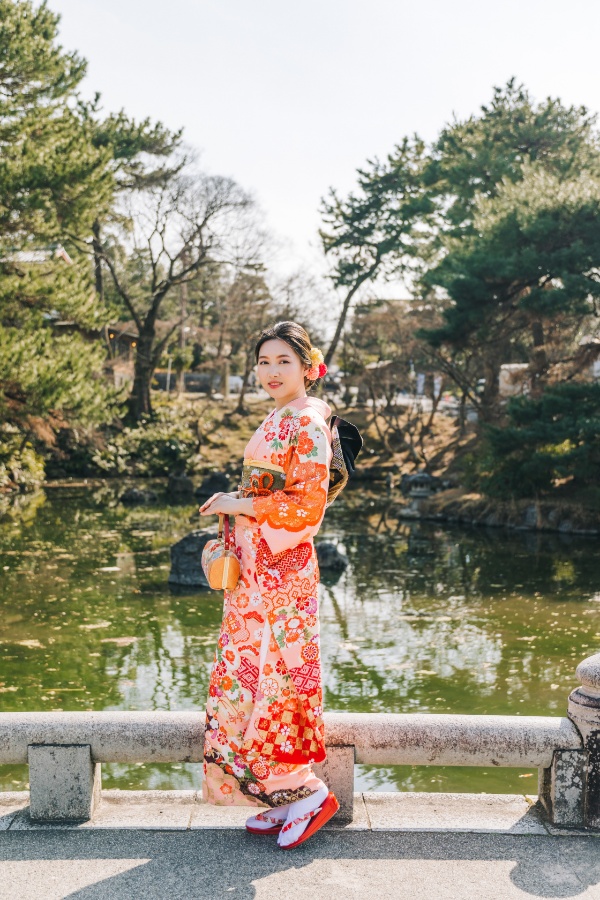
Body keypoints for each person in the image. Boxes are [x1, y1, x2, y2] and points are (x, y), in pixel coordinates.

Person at [199, 321, 339, 849]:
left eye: (283, 361)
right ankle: (272, 794)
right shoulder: (281, 418)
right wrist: (234, 508)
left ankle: (305, 793)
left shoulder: (307, 422)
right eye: (264, 362)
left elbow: (308, 506)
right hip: (257, 572)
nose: (272, 371)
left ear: (308, 367)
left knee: (278, 676)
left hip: (282, 573)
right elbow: (270, 490)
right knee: (247, 674)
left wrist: (240, 504)